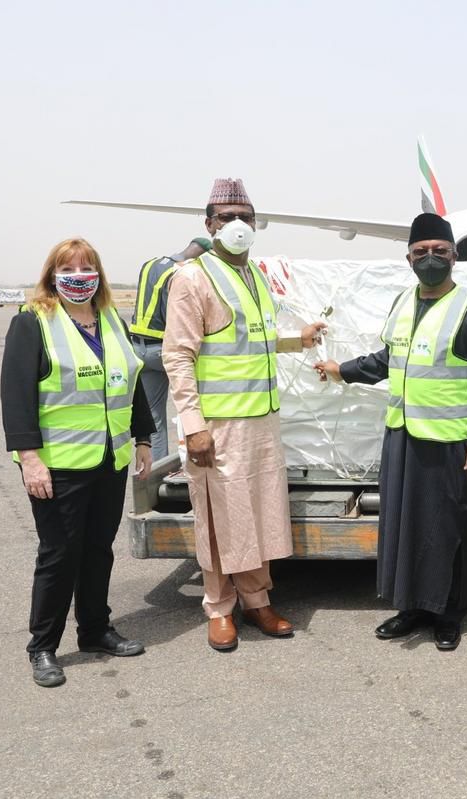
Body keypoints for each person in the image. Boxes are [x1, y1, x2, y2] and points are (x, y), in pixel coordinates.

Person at [315, 213, 467, 651]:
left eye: (440, 251)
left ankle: (449, 613)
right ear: (408, 259)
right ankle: (413, 606)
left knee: (451, 527)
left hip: (453, 441)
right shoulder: (402, 302)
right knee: (408, 526)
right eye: (421, 252)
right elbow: (388, 360)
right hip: (403, 436)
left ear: (455, 257)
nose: (431, 258)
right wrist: (341, 370)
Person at [162, 178, 326, 652]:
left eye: (246, 218)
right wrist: (193, 426)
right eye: (228, 217)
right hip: (216, 427)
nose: (238, 225)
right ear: (209, 224)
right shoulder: (193, 277)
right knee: (218, 519)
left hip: (260, 423)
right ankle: (219, 607)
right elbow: (178, 356)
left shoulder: (253, 276)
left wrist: (298, 339)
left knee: (254, 515)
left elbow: (251, 339)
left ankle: (257, 600)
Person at [1, 238, 154, 688]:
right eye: (69, 268)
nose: (80, 275)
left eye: (88, 267)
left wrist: (144, 437)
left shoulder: (110, 319)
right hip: (58, 464)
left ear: (99, 275)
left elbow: (132, 381)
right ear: (52, 274)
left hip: (110, 459)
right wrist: (29, 459)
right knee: (59, 555)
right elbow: (16, 396)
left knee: (97, 551)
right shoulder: (33, 323)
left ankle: (95, 630)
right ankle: (43, 647)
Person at [130, 237, 212, 461]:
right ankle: (193, 461)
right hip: (165, 350)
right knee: (192, 408)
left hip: (139, 348)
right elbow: (177, 317)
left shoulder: (150, 264)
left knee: (155, 418)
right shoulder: (183, 273)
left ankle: (157, 470)